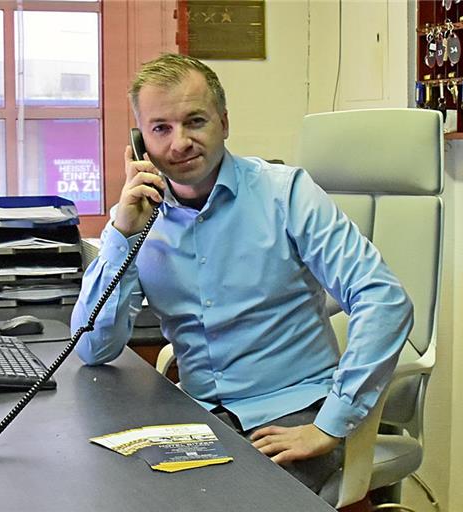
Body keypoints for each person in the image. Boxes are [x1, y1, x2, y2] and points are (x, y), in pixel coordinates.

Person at [71, 53, 413, 497]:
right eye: (160, 129)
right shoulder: (139, 220)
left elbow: (384, 300)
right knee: (118, 494)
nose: (179, 143)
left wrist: (332, 422)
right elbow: (94, 349)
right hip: (201, 417)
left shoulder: (285, 194)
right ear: (139, 142)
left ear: (224, 123)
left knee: (231, 502)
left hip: (294, 411)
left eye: (195, 121)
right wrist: (120, 235)